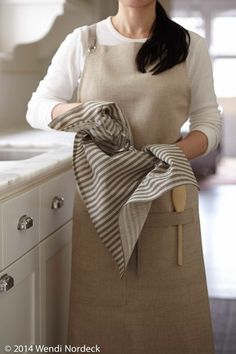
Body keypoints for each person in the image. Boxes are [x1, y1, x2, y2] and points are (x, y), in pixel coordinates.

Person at [26, 1, 221, 353]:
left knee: (174, 327)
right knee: (99, 325)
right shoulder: (83, 41)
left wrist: (171, 153)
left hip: (166, 194)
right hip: (101, 201)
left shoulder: (190, 45)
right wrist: (81, 111)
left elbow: (208, 122)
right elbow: (37, 107)